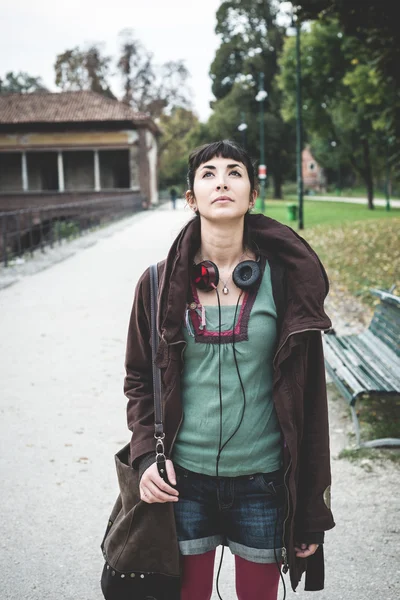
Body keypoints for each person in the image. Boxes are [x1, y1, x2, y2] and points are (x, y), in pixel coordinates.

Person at [124, 140, 335, 600]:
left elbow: (311, 400)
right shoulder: (157, 284)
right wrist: (145, 458)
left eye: (235, 172)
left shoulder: (286, 282)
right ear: (191, 198)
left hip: (264, 482)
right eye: (208, 173)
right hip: (182, 482)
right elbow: (139, 380)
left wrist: (311, 511)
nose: (222, 180)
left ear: (252, 196)